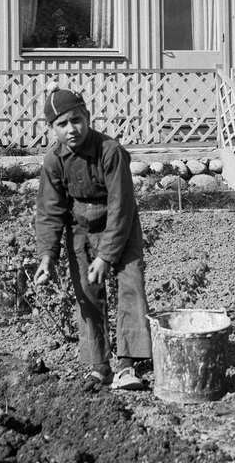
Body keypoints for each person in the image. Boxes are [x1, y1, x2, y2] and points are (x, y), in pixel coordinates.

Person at [33, 85, 152, 392]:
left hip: (120, 228)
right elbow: (50, 209)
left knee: (131, 289)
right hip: (80, 230)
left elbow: (121, 206)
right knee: (87, 294)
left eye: (76, 120)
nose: (71, 129)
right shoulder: (54, 160)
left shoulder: (109, 151)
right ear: (52, 129)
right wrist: (47, 255)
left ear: (87, 117)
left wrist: (106, 257)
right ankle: (99, 366)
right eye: (62, 124)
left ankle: (128, 364)